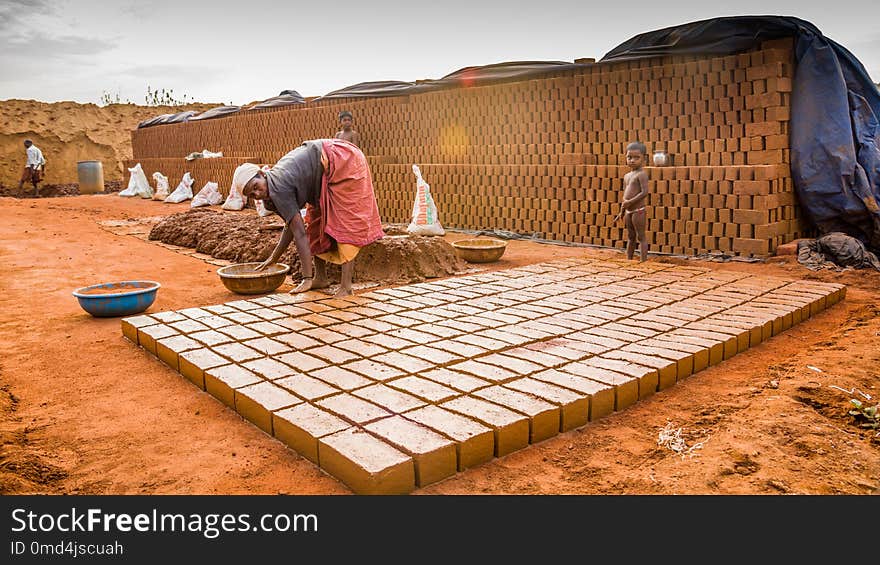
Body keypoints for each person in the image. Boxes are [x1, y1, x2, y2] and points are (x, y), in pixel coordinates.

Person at [232, 139, 384, 297]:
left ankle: (346, 286)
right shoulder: (270, 196)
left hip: (342, 161)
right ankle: (320, 277)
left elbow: (299, 234)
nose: (257, 194)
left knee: (345, 223)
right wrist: (273, 257)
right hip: (321, 174)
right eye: (252, 194)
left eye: (256, 187)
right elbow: (291, 225)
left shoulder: (279, 188)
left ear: (262, 174)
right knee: (315, 223)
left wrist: (306, 278)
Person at [613, 141, 650, 261]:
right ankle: (629, 259)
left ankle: (643, 260)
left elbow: (644, 192)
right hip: (628, 211)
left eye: (636, 157)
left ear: (644, 159)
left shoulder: (642, 174)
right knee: (630, 236)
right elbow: (625, 195)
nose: (632, 160)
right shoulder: (627, 176)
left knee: (641, 236)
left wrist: (630, 202)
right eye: (629, 157)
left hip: (638, 210)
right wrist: (621, 212)